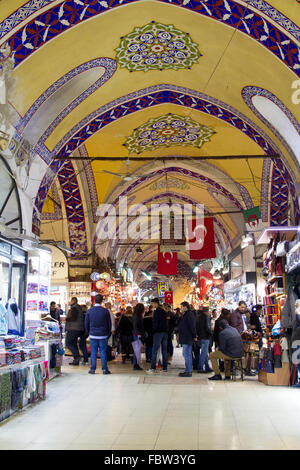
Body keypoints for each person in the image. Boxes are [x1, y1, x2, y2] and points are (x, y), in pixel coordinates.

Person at [85, 294, 112, 375]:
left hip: (93, 334)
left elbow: (86, 323)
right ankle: (104, 369)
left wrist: (89, 332)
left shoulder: (89, 311)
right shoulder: (105, 311)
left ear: (94, 300)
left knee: (93, 352)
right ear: (102, 301)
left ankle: (92, 369)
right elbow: (109, 324)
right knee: (103, 352)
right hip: (103, 335)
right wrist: (108, 333)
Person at [65, 297, 88, 365]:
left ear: (73, 301)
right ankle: (76, 360)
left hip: (73, 329)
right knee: (74, 344)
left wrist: (66, 319)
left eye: (71, 300)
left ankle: (77, 357)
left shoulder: (74, 308)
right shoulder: (79, 308)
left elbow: (73, 318)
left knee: (68, 343)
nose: (70, 302)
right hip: (78, 329)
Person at [148, 298, 168, 373]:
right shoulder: (163, 311)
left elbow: (155, 322)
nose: (152, 305)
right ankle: (165, 368)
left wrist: (154, 330)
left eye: (152, 303)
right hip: (165, 332)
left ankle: (153, 367)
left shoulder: (156, 311)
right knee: (164, 351)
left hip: (158, 333)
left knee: (155, 350)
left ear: (156, 303)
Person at [178, 301, 197, 377]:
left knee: (187, 354)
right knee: (186, 353)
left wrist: (194, 335)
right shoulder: (186, 314)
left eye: (181, 307)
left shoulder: (189, 315)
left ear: (185, 307)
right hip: (186, 337)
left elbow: (192, 326)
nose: (181, 308)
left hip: (187, 337)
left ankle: (188, 371)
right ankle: (188, 370)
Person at [195, 307, 213, 373]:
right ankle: (200, 368)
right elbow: (207, 327)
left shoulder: (198, 317)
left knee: (204, 353)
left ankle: (207, 367)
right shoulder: (206, 317)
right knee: (204, 353)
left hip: (199, 337)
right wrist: (211, 333)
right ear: (207, 311)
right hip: (205, 337)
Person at [132, 303, 146, 371]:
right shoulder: (137, 316)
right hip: (136, 335)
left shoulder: (136, 315)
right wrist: (138, 333)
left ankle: (136, 364)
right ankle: (135, 364)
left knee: (137, 350)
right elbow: (135, 326)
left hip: (136, 334)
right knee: (137, 350)